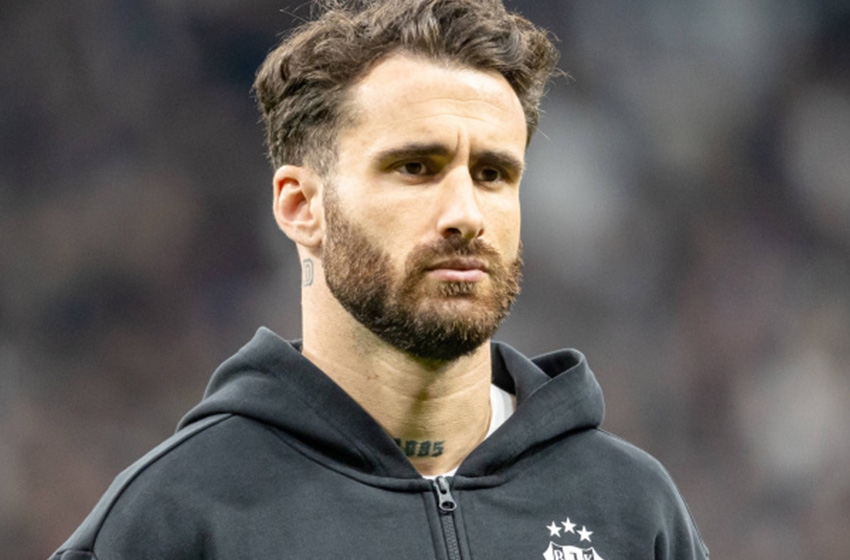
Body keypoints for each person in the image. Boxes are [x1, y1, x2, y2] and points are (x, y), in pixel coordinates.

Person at [50, 1, 709, 558]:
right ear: (301, 206)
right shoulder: (177, 517)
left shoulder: (631, 509)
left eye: (493, 174)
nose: (465, 214)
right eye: (416, 168)